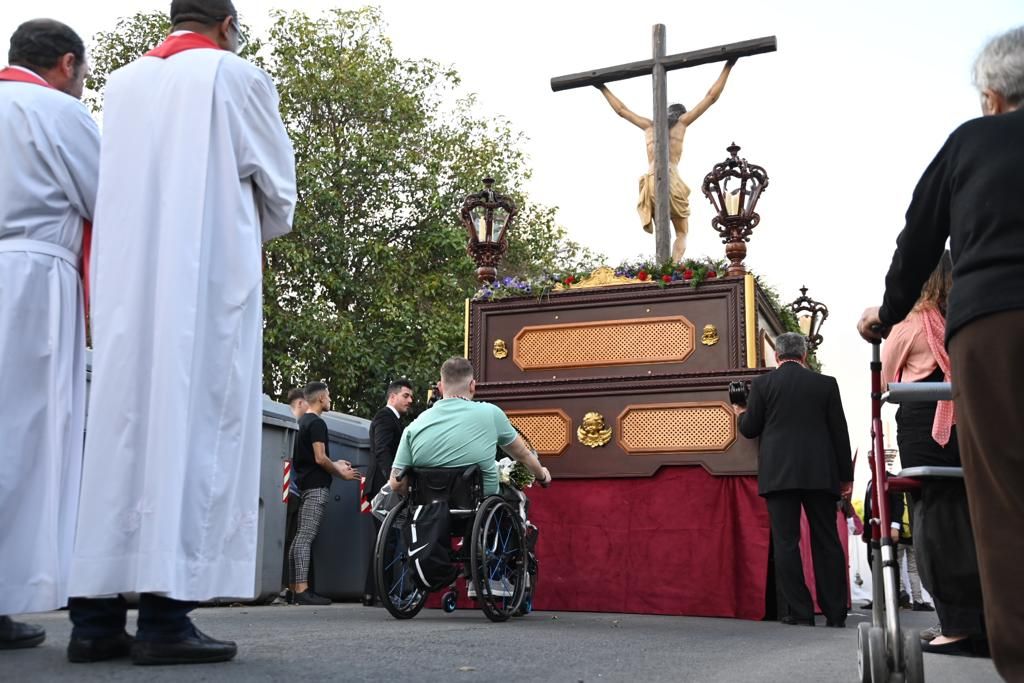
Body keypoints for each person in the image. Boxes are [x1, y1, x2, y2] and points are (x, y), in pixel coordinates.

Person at [67, 0, 296, 666]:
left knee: (120, 433)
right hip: (202, 280)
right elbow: (278, 189)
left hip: (128, 283)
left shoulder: (123, 84)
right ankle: (167, 616)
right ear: (226, 24)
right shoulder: (235, 76)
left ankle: (94, 619)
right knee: (194, 430)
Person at [857, 24, 1024, 679]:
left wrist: (889, 312)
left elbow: (919, 238)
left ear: (990, 93)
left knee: (1003, 496)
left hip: (995, 323)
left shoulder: (969, 142)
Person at [0, 18, 99, 651]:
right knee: (22, 436)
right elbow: (108, 197)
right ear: (66, 64)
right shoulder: (55, 112)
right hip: (32, 282)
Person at [880, 252, 985, 656]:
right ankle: (982, 623)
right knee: (973, 522)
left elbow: (888, 379)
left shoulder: (911, 325)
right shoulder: (970, 323)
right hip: (971, 427)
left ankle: (957, 627)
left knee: (934, 523)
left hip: (927, 430)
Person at [734, 332, 853, 627]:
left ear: (777, 356)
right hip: (820, 473)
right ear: (804, 356)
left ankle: (800, 612)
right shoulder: (826, 384)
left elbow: (750, 429)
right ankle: (835, 613)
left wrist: (740, 411)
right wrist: (845, 478)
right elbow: (840, 432)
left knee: (787, 542)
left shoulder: (763, 384)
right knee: (826, 541)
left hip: (779, 474)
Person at [595, 60, 735, 262]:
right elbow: (711, 97)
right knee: (682, 232)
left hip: (651, 180)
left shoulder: (648, 126)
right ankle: (672, 267)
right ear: (681, 114)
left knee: (664, 225)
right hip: (671, 177)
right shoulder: (682, 124)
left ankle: (664, 267)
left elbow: (622, 110)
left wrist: (602, 87)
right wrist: (729, 66)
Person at [389, 358, 550, 498]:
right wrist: (542, 476)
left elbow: (395, 483)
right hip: (479, 504)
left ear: (440, 387)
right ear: (472, 385)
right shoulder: (491, 413)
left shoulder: (414, 426)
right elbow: (522, 454)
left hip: (429, 511)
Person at [288, 382, 360, 605]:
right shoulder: (317, 423)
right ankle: (302, 590)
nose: (330, 399)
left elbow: (312, 458)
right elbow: (319, 458)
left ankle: (294, 588)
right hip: (316, 488)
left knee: (300, 536)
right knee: (305, 537)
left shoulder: (304, 422)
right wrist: (341, 473)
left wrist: (336, 462)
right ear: (320, 398)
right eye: (328, 395)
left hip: (305, 485)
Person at [362, 378, 414, 606]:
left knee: (385, 541)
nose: (410, 400)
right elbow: (382, 450)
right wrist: (394, 481)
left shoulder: (394, 420)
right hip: (384, 486)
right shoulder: (385, 417)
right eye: (406, 395)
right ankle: (380, 593)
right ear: (392, 397)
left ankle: (373, 593)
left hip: (385, 485)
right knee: (387, 541)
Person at [280, 388, 308, 601]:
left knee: (287, 540)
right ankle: (283, 586)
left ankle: (284, 587)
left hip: (288, 490)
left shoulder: (292, 424)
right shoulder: (294, 425)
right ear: (300, 403)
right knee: (286, 539)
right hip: (290, 490)